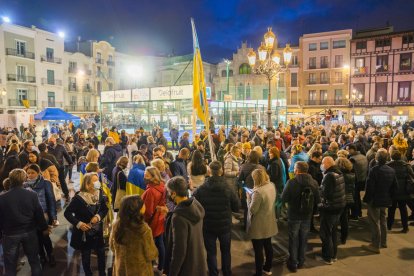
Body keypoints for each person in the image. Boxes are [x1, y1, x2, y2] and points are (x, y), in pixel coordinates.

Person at [193, 161, 240, 276]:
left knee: (211, 252)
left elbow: (195, 205)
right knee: (225, 251)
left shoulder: (202, 188)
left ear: (209, 171)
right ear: (221, 171)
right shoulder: (228, 187)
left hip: (208, 225)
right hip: (224, 225)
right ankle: (227, 272)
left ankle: (213, 273)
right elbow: (236, 207)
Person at [0, 169, 49, 276]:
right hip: (30, 232)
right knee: (34, 261)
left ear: (10, 179)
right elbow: (39, 214)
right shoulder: (32, 194)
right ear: (24, 179)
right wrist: (44, 228)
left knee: (10, 265)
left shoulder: (2, 197)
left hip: (10, 234)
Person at [64, 172, 108, 276]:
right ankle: (88, 273)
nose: (98, 183)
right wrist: (78, 223)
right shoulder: (78, 198)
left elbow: (104, 209)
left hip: (98, 230)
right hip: (84, 232)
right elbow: (67, 213)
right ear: (87, 184)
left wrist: (98, 217)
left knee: (101, 252)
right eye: (95, 180)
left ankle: (102, 272)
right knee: (86, 254)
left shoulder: (100, 192)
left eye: (97, 180)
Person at [282, 161, 320, 272]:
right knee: (304, 238)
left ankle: (293, 263)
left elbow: (284, 198)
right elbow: (318, 199)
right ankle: (301, 261)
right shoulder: (314, 182)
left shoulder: (291, 182)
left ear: (297, 170)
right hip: (307, 215)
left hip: (293, 215)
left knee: (293, 239)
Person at [165, 176, 207, 276]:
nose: (168, 195)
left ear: (174, 193)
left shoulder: (179, 217)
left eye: (169, 192)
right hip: (198, 262)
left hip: (186, 268)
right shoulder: (196, 205)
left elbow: (179, 250)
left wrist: (172, 273)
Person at [110, 195, 158, 276]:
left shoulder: (116, 225)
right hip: (140, 270)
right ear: (137, 209)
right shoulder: (143, 229)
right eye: (143, 204)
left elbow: (112, 247)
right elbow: (151, 254)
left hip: (121, 268)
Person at [362, 150, 398, 253]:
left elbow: (370, 187)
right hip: (385, 199)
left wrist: (366, 199)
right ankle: (383, 242)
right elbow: (395, 187)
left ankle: (375, 245)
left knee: (374, 222)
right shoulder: (391, 170)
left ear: (376, 158)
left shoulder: (374, 170)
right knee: (383, 220)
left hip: (375, 200)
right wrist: (390, 197)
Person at [24, 164, 57, 266]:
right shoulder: (24, 185)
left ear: (38, 173)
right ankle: (42, 256)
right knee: (36, 239)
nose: (30, 175)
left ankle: (50, 255)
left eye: (32, 173)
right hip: (30, 217)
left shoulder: (46, 183)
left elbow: (51, 200)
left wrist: (53, 217)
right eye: (28, 173)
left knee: (45, 237)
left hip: (44, 215)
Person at [246, 168, 277, 276]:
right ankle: (267, 268)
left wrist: (248, 198)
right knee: (268, 246)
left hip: (259, 225)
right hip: (269, 221)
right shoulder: (271, 185)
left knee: (258, 250)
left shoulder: (258, 192)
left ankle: (258, 272)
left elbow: (252, 209)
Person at [317, 156, 346, 264]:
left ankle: (327, 257)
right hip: (339, 206)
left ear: (328, 164)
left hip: (330, 208)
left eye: (323, 163)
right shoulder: (338, 172)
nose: (322, 165)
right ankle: (333, 255)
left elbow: (325, 193)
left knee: (325, 233)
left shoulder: (329, 176)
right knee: (333, 232)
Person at [142, 166, 167, 274]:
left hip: (152, 221)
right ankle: (161, 265)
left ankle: (152, 265)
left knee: (151, 243)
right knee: (160, 242)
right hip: (160, 218)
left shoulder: (151, 191)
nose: (144, 175)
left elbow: (147, 211)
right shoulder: (162, 186)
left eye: (146, 174)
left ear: (153, 176)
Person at [386, 150, 413, 233]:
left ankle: (389, 226)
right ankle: (405, 227)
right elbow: (412, 175)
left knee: (391, 209)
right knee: (403, 210)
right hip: (404, 191)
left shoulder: (388, 166)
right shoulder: (406, 165)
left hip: (392, 191)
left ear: (391, 156)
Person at [335, 157, 355, 244]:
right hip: (349, 198)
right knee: (345, 219)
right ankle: (344, 238)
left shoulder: (338, 176)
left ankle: (334, 237)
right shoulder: (352, 175)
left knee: (336, 219)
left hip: (339, 199)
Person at [48, 137, 73, 201]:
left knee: (62, 181)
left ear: (55, 141)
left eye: (52, 141)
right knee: (52, 181)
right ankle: (54, 195)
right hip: (50, 168)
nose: (50, 142)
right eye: (49, 141)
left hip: (60, 167)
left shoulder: (61, 147)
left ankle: (66, 194)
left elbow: (66, 155)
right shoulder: (47, 147)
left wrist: (70, 162)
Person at [347, 144, 368, 220]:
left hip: (356, 181)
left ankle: (355, 214)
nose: (347, 151)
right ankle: (359, 213)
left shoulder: (352, 159)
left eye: (348, 149)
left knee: (355, 198)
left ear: (352, 149)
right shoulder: (363, 156)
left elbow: (350, 170)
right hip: (362, 180)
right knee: (357, 198)